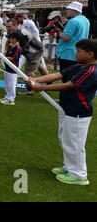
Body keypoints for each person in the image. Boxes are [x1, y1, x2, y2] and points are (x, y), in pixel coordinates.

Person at [28, 39, 97, 186]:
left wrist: (40, 88)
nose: (75, 53)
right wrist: (36, 80)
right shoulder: (78, 66)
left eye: (79, 51)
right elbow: (57, 75)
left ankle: (79, 175)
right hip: (67, 109)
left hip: (79, 111)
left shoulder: (91, 71)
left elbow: (68, 86)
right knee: (65, 140)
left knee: (75, 143)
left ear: (90, 54)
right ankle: (69, 167)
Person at [5, 18, 44, 96]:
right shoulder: (13, 32)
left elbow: (19, 48)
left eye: (9, 27)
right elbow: (9, 41)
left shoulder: (21, 34)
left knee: (29, 69)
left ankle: (31, 89)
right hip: (29, 51)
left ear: (16, 25)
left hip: (35, 51)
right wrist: (6, 51)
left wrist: (9, 54)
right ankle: (49, 82)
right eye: (7, 26)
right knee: (39, 67)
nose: (7, 29)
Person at [56, 2, 90, 71]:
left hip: (68, 54)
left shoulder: (72, 21)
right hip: (80, 53)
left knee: (66, 77)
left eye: (69, 9)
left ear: (75, 10)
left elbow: (66, 38)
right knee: (76, 77)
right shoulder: (86, 20)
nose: (67, 11)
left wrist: (59, 33)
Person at [0, 31, 22, 106]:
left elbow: (13, 58)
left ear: (15, 39)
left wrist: (3, 57)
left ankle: (11, 99)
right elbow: (7, 53)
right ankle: (7, 97)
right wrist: (2, 54)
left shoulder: (17, 48)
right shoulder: (11, 46)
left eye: (11, 38)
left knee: (11, 84)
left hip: (12, 69)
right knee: (7, 83)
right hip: (7, 68)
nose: (9, 40)